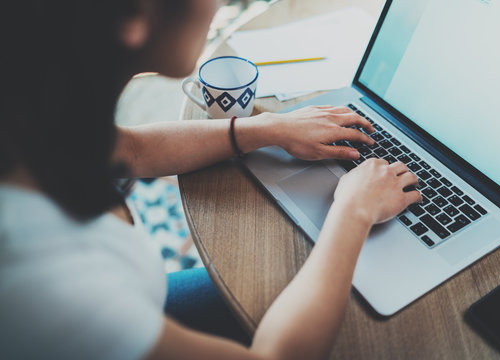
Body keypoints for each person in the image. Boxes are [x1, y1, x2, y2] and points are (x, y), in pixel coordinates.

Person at [0, 1, 422, 359]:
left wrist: (268, 129)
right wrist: (353, 211)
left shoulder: (31, 111)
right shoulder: (48, 285)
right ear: (135, 16)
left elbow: (130, 150)